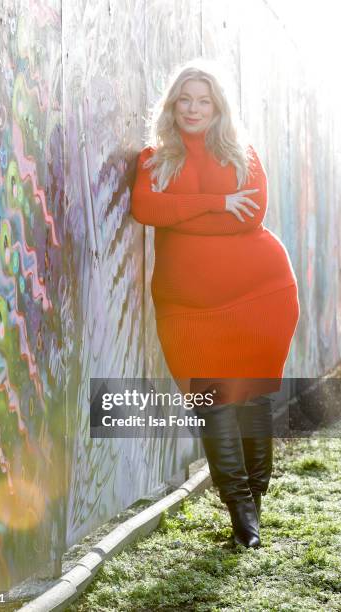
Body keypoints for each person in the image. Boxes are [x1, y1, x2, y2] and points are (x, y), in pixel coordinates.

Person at [130, 58, 300, 548]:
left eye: (203, 100)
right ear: (172, 105)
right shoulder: (153, 159)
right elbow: (145, 208)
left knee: (250, 397)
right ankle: (242, 508)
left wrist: (180, 216)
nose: (193, 109)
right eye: (185, 99)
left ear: (218, 106)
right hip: (185, 307)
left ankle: (250, 511)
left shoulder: (241, 154)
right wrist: (214, 203)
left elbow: (248, 219)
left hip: (260, 293)